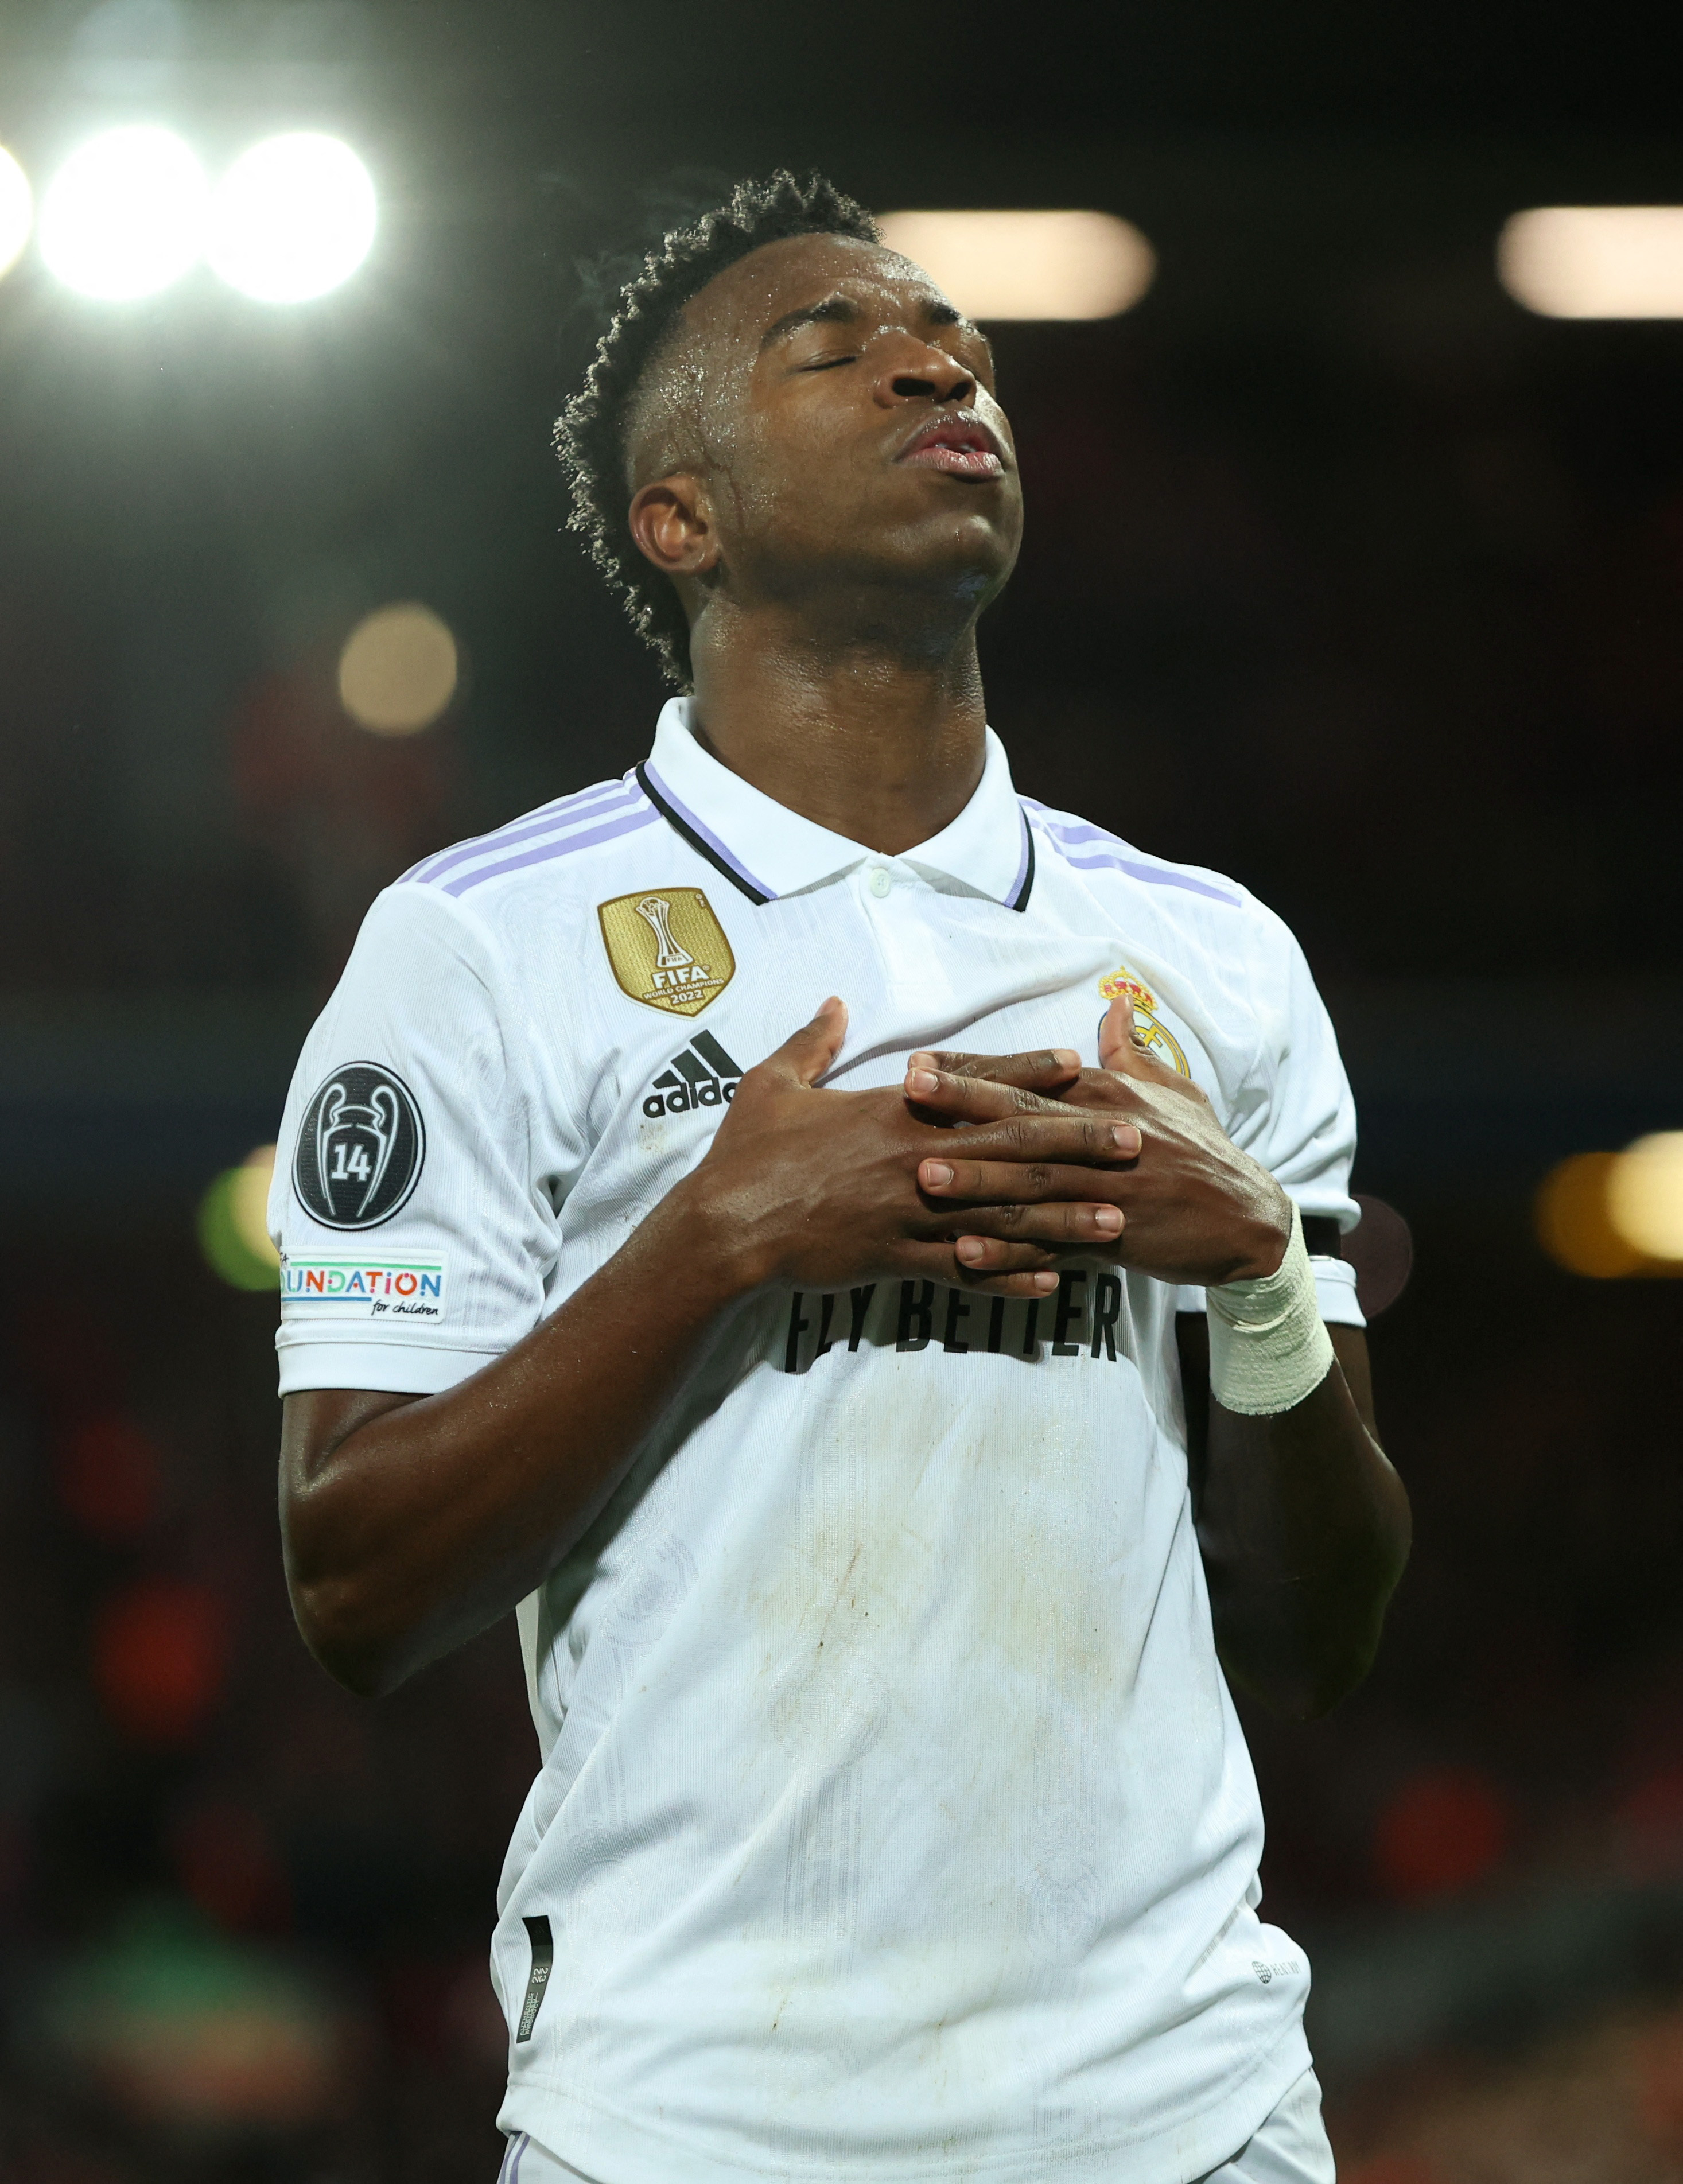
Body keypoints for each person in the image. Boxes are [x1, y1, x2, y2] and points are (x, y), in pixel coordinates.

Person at [272, 172, 1409, 2184]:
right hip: (695, 2117)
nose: (937, 361)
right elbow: (353, 1581)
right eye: (838, 346)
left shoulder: (1213, 958)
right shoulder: (480, 944)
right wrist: (715, 1244)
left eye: (959, 343)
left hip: (1181, 2110)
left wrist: (1251, 1275)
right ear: (679, 520)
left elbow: (1325, 1628)